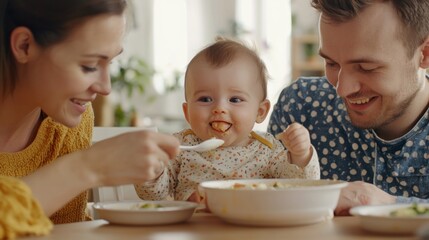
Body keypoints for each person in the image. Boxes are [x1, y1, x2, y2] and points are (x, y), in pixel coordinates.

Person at [0, 0, 180, 236]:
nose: (106, 88)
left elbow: (65, 233)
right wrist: (87, 167)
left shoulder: (68, 123)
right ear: (24, 46)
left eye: (111, 62)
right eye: (89, 65)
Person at [268, 0, 429, 215]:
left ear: (424, 54)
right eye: (331, 64)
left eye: (366, 68)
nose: (342, 89)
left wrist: (392, 205)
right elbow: (259, 194)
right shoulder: (300, 105)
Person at [135, 38, 320, 203]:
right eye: (205, 99)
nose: (219, 109)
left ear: (260, 111)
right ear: (187, 112)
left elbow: (298, 188)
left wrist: (300, 154)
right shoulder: (180, 147)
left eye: (235, 100)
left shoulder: (268, 150)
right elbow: (152, 195)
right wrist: (152, 169)